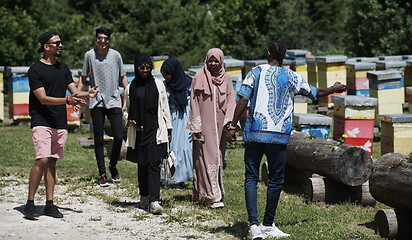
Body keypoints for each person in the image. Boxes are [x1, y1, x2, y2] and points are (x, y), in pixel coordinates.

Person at [226, 41, 347, 239]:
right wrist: (333, 88)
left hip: (255, 133)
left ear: (268, 53)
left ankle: (254, 226)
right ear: (283, 56)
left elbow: (243, 99)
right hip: (278, 135)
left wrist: (232, 125)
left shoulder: (256, 72)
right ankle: (268, 224)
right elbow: (315, 93)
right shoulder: (292, 76)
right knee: (275, 180)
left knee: (251, 178)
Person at [23, 31, 98, 220]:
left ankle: (49, 203)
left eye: (60, 42)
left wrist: (87, 94)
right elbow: (42, 98)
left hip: (59, 122)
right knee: (42, 159)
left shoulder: (63, 69)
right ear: (46, 46)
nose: (60, 45)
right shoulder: (35, 70)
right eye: (56, 43)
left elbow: (73, 91)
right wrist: (67, 101)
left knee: (52, 162)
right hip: (41, 120)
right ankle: (30, 203)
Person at [78, 27, 129, 187]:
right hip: (96, 101)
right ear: (96, 40)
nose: (103, 42)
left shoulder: (115, 55)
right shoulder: (89, 55)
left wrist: (129, 95)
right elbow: (83, 77)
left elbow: (123, 77)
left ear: (109, 40)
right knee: (98, 139)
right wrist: (77, 96)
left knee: (119, 137)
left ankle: (112, 165)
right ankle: (102, 174)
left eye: (106, 39)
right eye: (100, 39)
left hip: (114, 100)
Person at [186, 48, 236, 208]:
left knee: (218, 157)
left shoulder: (226, 79)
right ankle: (211, 196)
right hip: (204, 126)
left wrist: (230, 123)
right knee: (205, 157)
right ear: (206, 61)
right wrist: (197, 124)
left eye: (216, 61)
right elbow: (193, 102)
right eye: (210, 61)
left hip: (220, 126)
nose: (213, 64)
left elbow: (231, 100)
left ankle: (215, 192)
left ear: (221, 61)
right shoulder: (198, 78)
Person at [122, 53, 172, 214]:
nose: (145, 70)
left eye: (148, 67)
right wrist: (129, 120)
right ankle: (144, 197)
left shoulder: (158, 85)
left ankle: (155, 200)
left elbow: (165, 108)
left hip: (155, 129)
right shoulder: (131, 87)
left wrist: (169, 129)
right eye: (141, 67)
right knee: (142, 165)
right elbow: (125, 110)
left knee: (154, 164)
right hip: (138, 132)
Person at [160, 57, 193, 185]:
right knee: (171, 147)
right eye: (164, 75)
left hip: (185, 118)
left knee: (184, 147)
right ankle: (171, 177)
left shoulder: (189, 83)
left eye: (168, 75)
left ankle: (184, 177)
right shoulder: (164, 86)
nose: (166, 77)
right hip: (171, 119)